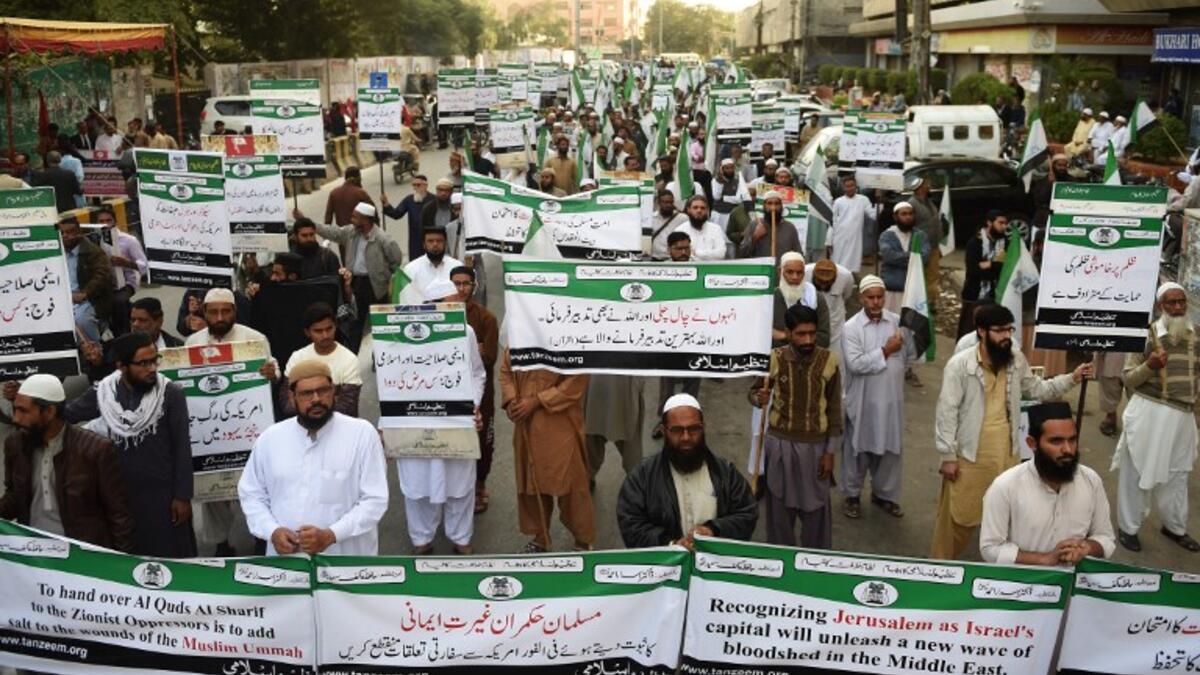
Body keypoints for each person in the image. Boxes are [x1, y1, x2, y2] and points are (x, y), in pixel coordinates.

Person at [932, 303, 1087, 560]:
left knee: (1008, 518)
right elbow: (946, 411)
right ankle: (939, 570)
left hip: (1008, 454)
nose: (1006, 336)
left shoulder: (1015, 360)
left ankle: (1004, 571)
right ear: (981, 331)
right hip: (971, 456)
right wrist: (947, 455)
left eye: (1009, 329)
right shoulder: (960, 365)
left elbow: (1038, 389)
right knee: (959, 519)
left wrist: (1072, 378)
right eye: (999, 330)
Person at [64, 332, 196, 557]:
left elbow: (182, 447)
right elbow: (66, 415)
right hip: (120, 496)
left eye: (154, 360)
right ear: (122, 366)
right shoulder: (104, 393)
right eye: (143, 363)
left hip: (162, 496)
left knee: (173, 560)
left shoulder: (171, 394)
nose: (152, 368)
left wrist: (182, 496)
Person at [239, 360, 388, 556]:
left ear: (334, 391)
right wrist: (272, 531)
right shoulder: (270, 439)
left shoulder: (362, 434)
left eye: (323, 390)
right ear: (292, 397)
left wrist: (331, 535)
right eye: (307, 393)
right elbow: (252, 494)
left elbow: (374, 499)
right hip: (288, 562)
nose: (316, 399)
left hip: (346, 559)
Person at [387, 279, 486, 555]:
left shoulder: (465, 333)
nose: (460, 307)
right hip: (414, 425)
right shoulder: (400, 338)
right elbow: (390, 381)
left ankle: (461, 537)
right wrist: (389, 426)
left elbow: (477, 373)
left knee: (460, 485)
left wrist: (473, 405)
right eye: (452, 303)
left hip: (456, 422)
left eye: (460, 302)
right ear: (431, 308)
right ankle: (422, 539)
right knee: (417, 485)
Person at [1113, 282, 1200, 553]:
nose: (1177, 307)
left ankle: (1174, 527)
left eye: (1181, 302)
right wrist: (1150, 366)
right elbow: (1128, 378)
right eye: (1171, 303)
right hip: (1149, 411)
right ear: (1160, 306)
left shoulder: (1197, 335)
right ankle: (1128, 528)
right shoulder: (1146, 335)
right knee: (1137, 471)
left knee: (1177, 475)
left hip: (1183, 416)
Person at [1, 374, 134, 550]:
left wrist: (118, 565)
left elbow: (118, 515)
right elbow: (15, 497)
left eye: (23, 411)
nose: (16, 419)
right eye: (15, 410)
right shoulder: (15, 445)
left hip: (81, 556)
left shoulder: (95, 450)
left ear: (49, 412)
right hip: (34, 552)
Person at [979, 402, 1115, 565]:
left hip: (1074, 579)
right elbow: (990, 548)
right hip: (1024, 583)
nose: (1068, 450)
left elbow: (1106, 537)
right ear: (1032, 444)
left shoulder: (1091, 480)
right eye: (1056, 442)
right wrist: (1043, 559)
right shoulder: (1005, 486)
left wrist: (1088, 548)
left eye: (1072, 440)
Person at [617, 394, 757, 550]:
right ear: (664, 431)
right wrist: (671, 545)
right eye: (677, 430)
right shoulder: (642, 477)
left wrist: (713, 530)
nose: (686, 437)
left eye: (693, 429)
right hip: (665, 567)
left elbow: (747, 513)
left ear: (703, 428)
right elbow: (631, 524)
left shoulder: (725, 473)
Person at [752, 305, 841, 548]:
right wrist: (757, 397)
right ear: (789, 333)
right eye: (801, 334)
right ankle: (781, 564)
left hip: (815, 449)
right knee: (779, 509)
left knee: (817, 509)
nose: (808, 340)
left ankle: (814, 565)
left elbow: (834, 411)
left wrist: (830, 453)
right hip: (780, 446)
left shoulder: (829, 361)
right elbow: (754, 391)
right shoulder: (774, 358)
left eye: (812, 333)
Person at [499, 348, 595, 552]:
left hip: (560, 424)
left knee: (571, 485)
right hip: (526, 427)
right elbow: (506, 371)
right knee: (531, 485)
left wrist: (537, 401)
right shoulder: (519, 338)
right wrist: (511, 401)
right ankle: (540, 538)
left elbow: (576, 380)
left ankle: (582, 541)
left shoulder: (568, 339)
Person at [839, 275, 917, 520]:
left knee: (890, 450)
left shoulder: (897, 322)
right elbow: (855, 364)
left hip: (891, 400)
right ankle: (852, 495)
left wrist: (916, 331)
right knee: (858, 449)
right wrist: (886, 351)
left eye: (879, 297)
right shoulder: (851, 328)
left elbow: (911, 357)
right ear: (861, 298)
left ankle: (884, 495)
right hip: (863, 400)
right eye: (870, 297)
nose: (875, 302)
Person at [310, 202, 404, 347]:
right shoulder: (351, 232)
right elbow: (333, 233)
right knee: (355, 323)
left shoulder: (383, 239)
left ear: (366, 219)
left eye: (355, 217)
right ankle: (352, 356)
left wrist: (384, 278)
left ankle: (380, 356)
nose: (351, 219)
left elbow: (395, 261)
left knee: (380, 324)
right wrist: (312, 225)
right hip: (355, 283)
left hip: (376, 286)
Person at [448, 266, 499, 515]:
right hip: (446, 390)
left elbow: (489, 356)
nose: (461, 288)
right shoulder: (440, 315)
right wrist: (471, 347)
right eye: (456, 283)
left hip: (479, 390)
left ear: (474, 286)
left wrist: (476, 350)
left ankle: (479, 486)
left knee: (482, 440)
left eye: (466, 283)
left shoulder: (486, 318)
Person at [281, 303, 362, 417]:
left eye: (329, 329)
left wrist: (304, 403)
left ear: (335, 327)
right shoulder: (297, 358)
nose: (325, 335)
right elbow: (286, 405)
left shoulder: (349, 360)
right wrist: (333, 398)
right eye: (318, 331)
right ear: (307, 332)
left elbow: (347, 407)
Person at [59, 216, 113, 343]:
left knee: (82, 320)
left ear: (79, 232)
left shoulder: (93, 252)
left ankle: (96, 351)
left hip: (87, 299)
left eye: (70, 232)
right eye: (62, 233)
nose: (66, 236)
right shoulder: (57, 253)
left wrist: (85, 293)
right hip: (63, 299)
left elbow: (102, 275)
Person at [585, 374, 646, 486]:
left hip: (625, 388)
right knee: (591, 442)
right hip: (594, 387)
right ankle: (588, 477)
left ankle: (638, 484)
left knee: (631, 447)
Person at [95, 206, 147, 337]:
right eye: (101, 221)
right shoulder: (95, 240)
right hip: (105, 283)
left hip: (128, 282)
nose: (105, 224)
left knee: (118, 301)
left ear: (115, 222)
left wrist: (127, 263)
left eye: (108, 220)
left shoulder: (129, 240)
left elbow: (144, 265)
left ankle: (124, 334)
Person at [958, 210, 1008, 339]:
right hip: (974, 295)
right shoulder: (975, 243)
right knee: (968, 334)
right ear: (989, 223)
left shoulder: (1004, 243)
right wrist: (995, 265)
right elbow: (973, 270)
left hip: (994, 295)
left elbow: (1004, 269)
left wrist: (989, 264)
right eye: (1000, 222)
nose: (1004, 226)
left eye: (1005, 223)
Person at [878, 201, 931, 316]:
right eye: (904, 214)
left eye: (910, 214)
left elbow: (925, 257)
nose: (908, 217)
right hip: (892, 289)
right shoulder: (887, 235)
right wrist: (913, 257)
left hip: (913, 290)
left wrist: (902, 257)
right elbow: (889, 256)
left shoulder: (920, 235)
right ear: (895, 217)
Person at [772, 252, 829, 348]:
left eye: (799, 272)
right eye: (790, 272)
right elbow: (764, 338)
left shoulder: (816, 298)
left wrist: (784, 336)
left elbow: (824, 339)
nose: (795, 277)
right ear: (780, 271)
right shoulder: (771, 299)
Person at [807, 258, 856, 359]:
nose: (823, 285)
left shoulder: (846, 276)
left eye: (827, 283)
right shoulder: (804, 272)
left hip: (836, 322)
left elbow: (847, 294)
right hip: (810, 320)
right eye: (820, 282)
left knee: (837, 358)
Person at [398, 226, 463, 302]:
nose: (435, 244)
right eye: (430, 241)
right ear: (424, 245)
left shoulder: (457, 266)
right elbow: (406, 300)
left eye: (439, 241)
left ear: (445, 243)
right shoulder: (411, 269)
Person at [738, 190, 802, 266]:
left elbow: (798, 255)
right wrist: (755, 237)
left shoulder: (790, 227)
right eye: (769, 203)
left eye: (776, 204)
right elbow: (742, 254)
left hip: (782, 273)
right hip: (761, 272)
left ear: (781, 206)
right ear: (764, 206)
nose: (773, 208)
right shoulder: (754, 225)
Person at [382, 174, 435, 260]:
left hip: (431, 239)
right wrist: (386, 204)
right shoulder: (409, 200)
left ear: (425, 185)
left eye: (418, 185)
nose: (415, 188)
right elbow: (396, 214)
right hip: (415, 241)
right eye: (414, 185)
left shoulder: (434, 200)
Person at [828, 175, 873, 273]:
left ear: (856, 186)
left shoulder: (863, 200)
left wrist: (880, 202)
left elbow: (872, 214)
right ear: (843, 187)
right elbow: (833, 221)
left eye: (852, 185)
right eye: (847, 186)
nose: (850, 188)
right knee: (838, 261)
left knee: (852, 262)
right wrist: (829, 240)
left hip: (854, 237)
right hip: (839, 236)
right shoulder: (838, 202)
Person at [909, 179, 942, 303]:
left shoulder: (928, 201)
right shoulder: (912, 204)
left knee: (933, 275)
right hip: (921, 246)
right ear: (920, 188)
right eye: (926, 185)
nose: (929, 187)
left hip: (933, 245)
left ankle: (931, 303)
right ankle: (918, 302)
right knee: (920, 275)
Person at [671, 195, 728, 261]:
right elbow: (680, 255)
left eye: (702, 208)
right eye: (695, 207)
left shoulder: (716, 229)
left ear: (707, 210)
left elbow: (721, 254)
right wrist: (710, 254)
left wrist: (697, 253)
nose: (699, 210)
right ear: (688, 210)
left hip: (711, 269)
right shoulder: (680, 230)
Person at [710, 158, 750, 230]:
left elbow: (739, 199)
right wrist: (720, 182)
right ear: (722, 169)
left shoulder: (738, 180)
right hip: (717, 214)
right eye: (727, 168)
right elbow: (716, 197)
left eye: (731, 168)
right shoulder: (716, 180)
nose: (730, 170)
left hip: (731, 214)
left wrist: (724, 198)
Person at [649, 190, 688, 259]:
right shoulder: (651, 218)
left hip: (674, 259)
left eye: (671, 202)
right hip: (655, 258)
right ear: (659, 203)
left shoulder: (683, 218)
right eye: (666, 202)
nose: (669, 205)